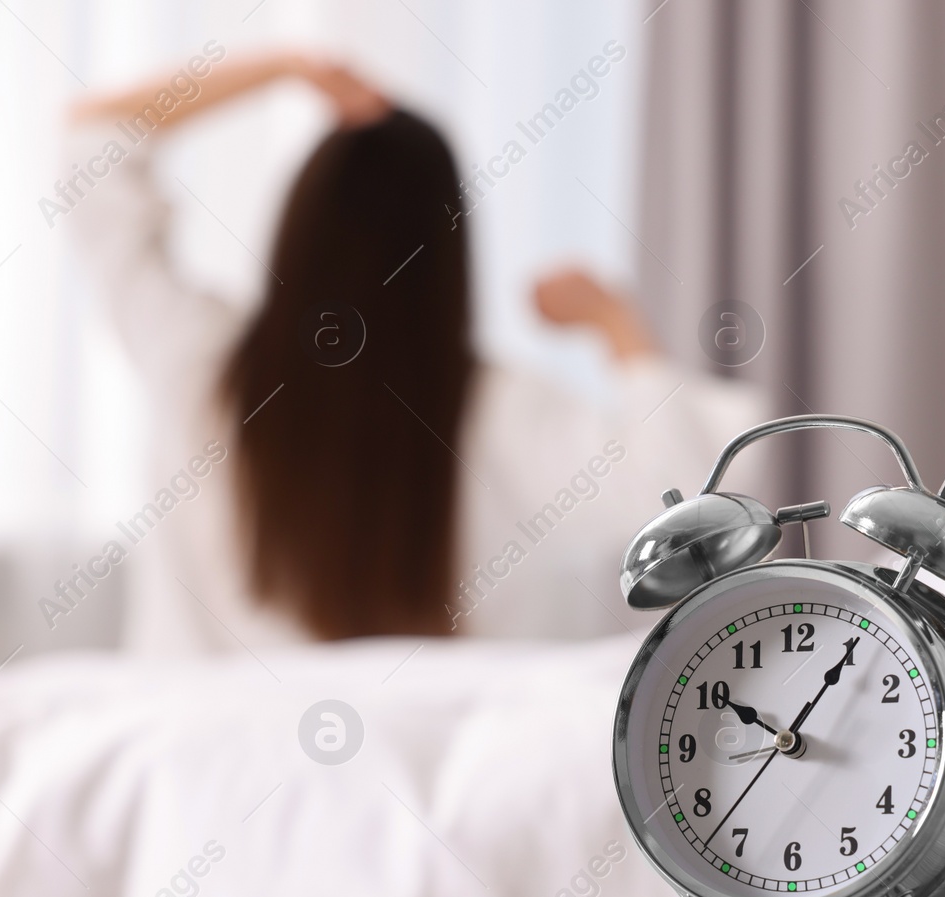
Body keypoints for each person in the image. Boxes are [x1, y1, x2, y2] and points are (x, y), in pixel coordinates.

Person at [65, 54, 768, 650]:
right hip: (417, 771)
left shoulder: (196, 357)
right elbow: (685, 491)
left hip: (196, 773)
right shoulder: (495, 407)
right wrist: (612, 321)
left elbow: (92, 141)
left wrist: (281, 67)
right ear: (446, 256)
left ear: (299, 231)